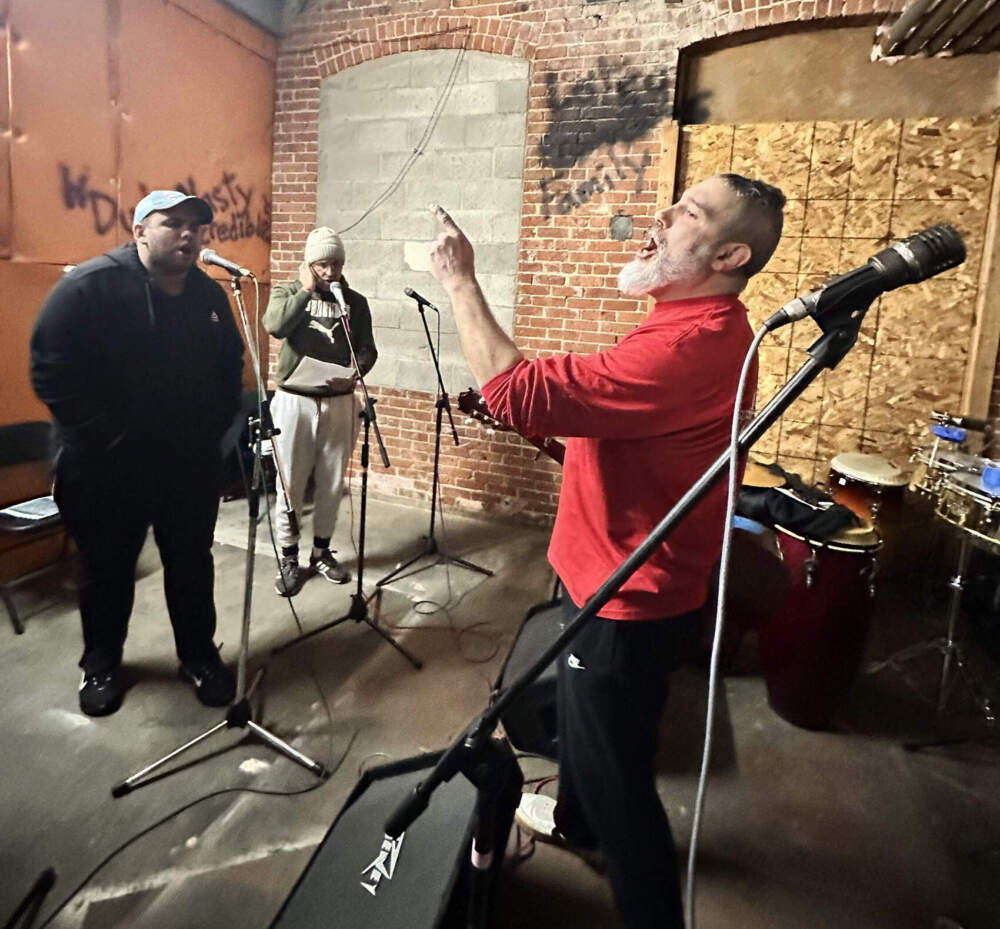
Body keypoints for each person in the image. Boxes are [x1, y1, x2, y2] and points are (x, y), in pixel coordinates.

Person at [426, 173, 786, 929]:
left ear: (730, 253)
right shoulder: (694, 327)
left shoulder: (692, 346)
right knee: (618, 729)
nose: (661, 218)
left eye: (689, 212)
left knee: (620, 784)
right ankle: (578, 821)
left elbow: (516, 392)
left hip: (624, 599)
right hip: (617, 579)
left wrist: (460, 282)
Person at [31, 190, 244, 717]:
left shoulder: (209, 296)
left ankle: (198, 656)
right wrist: (106, 439)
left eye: (196, 225)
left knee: (192, 566)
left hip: (186, 466)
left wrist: (213, 439)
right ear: (139, 230)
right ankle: (102, 664)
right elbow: (50, 371)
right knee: (107, 570)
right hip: (106, 467)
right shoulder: (88, 287)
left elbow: (228, 369)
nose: (189, 235)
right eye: (173, 224)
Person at [263, 227, 377, 596]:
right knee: (291, 481)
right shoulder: (287, 292)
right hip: (295, 399)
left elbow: (367, 350)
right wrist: (306, 289)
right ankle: (289, 556)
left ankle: (322, 551)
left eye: (338, 264)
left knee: (331, 481)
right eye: (324, 265)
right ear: (309, 264)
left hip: (339, 401)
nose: (331, 272)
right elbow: (276, 326)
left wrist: (354, 376)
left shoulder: (354, 302)